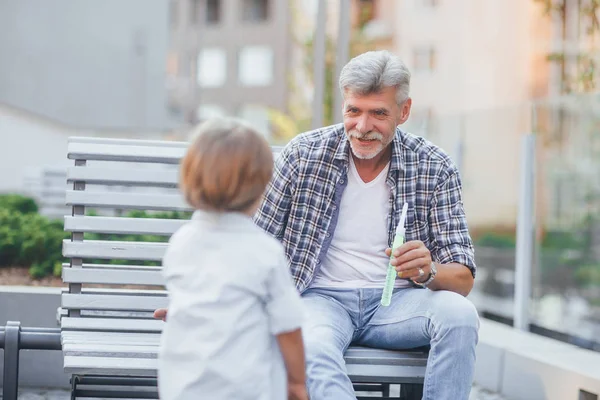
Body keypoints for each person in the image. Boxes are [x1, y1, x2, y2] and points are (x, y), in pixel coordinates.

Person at [156, 49, 479, 400]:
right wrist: (201, 302)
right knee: (312, 347)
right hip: (321, 300)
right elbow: (252, 239)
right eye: (353, 111)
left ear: (404, 111)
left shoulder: (435, 166)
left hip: (398, 306)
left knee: (459, 317)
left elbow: (463, 279)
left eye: (378, 114)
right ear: (343, 104)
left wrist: (429, 270)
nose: (363, 126)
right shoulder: (303, 155)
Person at [157, 118, 308, 400]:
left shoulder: (181, 243)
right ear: (260, 187)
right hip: (247, 386)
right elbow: (288, 328)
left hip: (183, 384)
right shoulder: (265, 252)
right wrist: (298, 382)